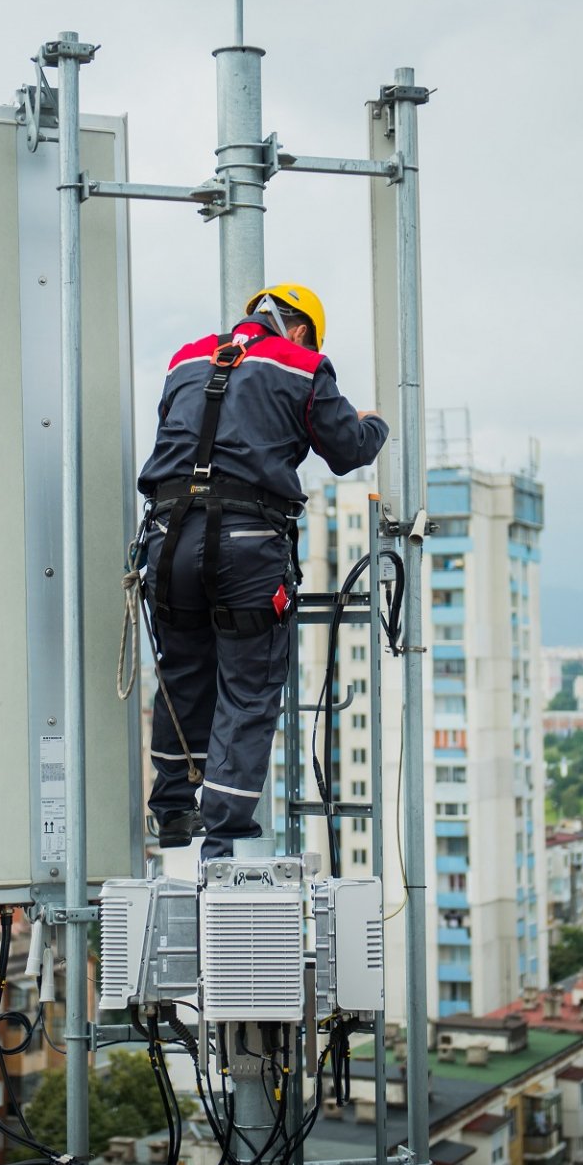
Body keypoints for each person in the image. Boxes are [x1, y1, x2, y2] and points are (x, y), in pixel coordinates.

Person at [137, 282, 388, 859]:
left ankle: (173, 807)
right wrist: (373, 424)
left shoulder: (186, 358)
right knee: (248, 690)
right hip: (247, 543)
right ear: (300, 329)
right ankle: (223, 839)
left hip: (168, 538)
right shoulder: (303, 365)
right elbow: (347, 449)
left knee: (182, 670)